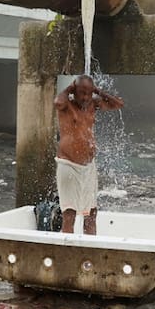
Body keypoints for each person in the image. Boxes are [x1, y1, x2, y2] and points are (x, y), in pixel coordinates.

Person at [53, 74, 124, 234]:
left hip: (88, 168)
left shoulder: (93, 105)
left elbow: (118, 104)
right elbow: (58, 102)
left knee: (91, 214)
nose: (85, 97)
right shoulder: (67, 106)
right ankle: (68, 254)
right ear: (74, 91)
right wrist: (69, 88)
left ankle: (89, 254)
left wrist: (97, 91)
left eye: (88, 93)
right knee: (69, 214)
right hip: (69, 165)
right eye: (81, 92)